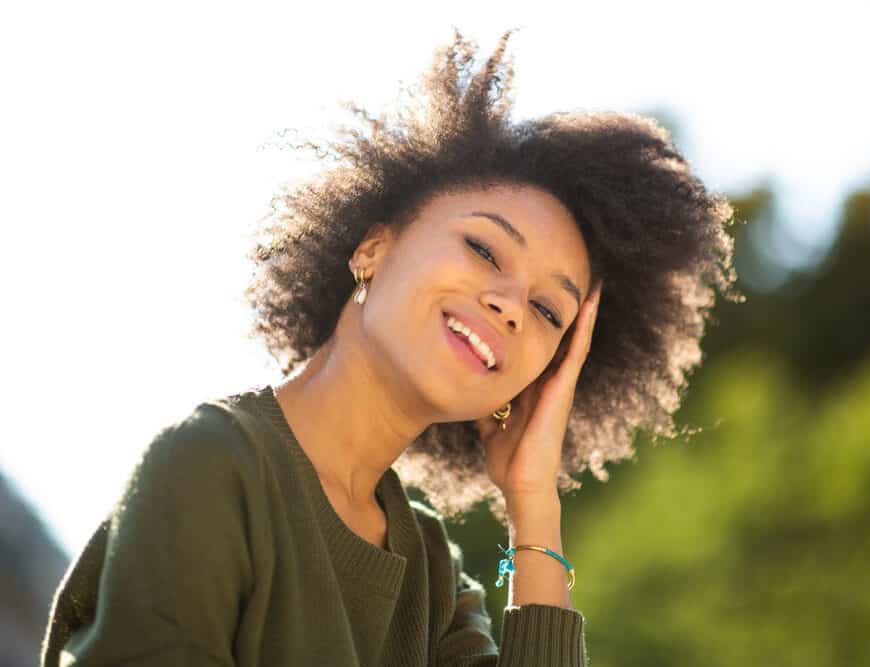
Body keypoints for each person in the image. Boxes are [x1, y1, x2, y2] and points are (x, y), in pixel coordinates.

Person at [40, 27, 738, 666]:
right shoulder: (211, 467)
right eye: (483, 247)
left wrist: (534, 502)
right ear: (373, 248)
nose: (509, 305)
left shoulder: (434, 576)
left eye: (548, 309)